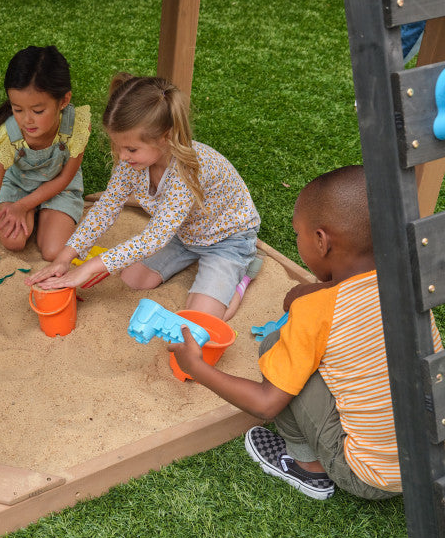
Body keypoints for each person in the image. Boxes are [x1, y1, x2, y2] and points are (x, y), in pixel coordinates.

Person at [168, 165, 443, 500]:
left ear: (321, 241)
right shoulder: (412, 280)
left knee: (274, 344)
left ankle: (307, 469)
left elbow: (266, 404)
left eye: (297, 234)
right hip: (430, 454)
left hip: (371, 476)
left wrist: (199, 368)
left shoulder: (317, 313)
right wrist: (308, 293)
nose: (297, 240)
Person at [26, 74, 261, 321]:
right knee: (133, 279)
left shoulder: (189, 170)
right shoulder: (133, 163)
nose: (122, 156)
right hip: (182, 233)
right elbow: (106, 208)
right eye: (117, 146)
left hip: (226, 239)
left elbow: (154, 237)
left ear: (165, 137)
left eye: (131, 149)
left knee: (199, 320)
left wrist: (89, 267)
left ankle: (243, 279)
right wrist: (65, 258)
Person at [0, 45, 91, 286]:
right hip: (18, 186)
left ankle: (41, 214)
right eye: (17, 109)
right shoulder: (7, 140)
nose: (27, 120)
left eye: (38, 110)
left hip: (60, 187)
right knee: (13, 241)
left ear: (64, 101)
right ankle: (35, 215)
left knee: (54, 251)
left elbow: (64, 178)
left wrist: (23, 206)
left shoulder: (77, 126)